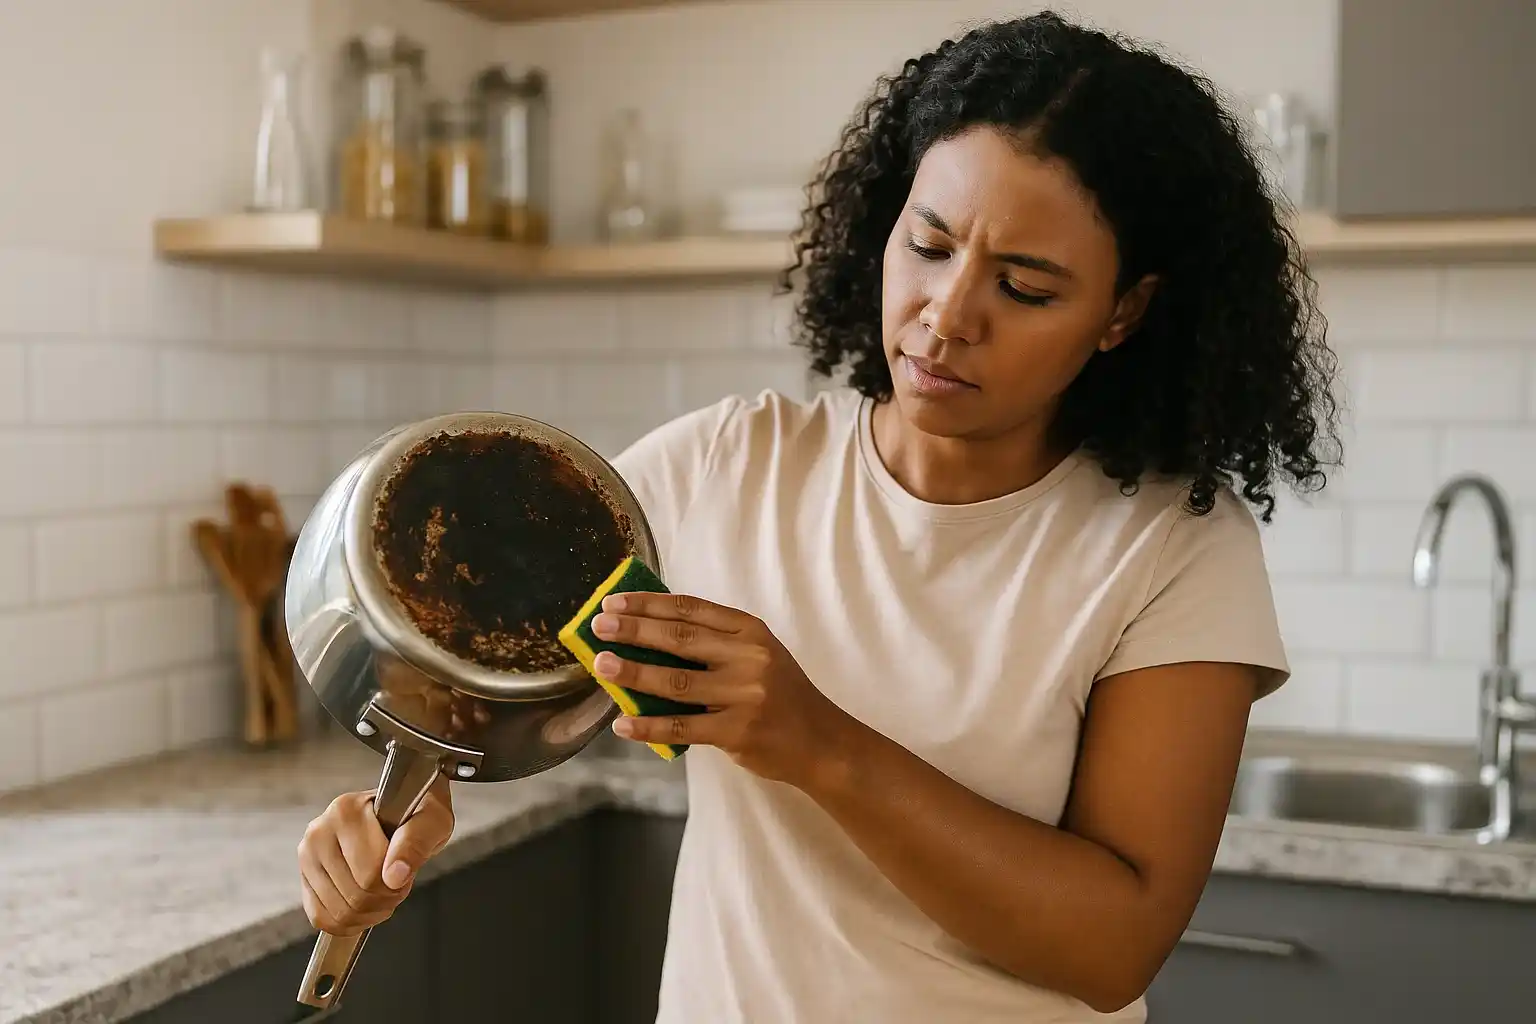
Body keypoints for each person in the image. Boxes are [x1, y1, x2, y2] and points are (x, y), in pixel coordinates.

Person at [296, 10, 1339, 1021]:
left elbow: (1115, 947)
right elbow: (489, 666)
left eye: (1023, 287)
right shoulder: (727, 464)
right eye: (928, 245)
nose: (947, 313)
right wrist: (416, 788)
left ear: (1125, 311)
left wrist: (816, 742)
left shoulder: (1172, 550)